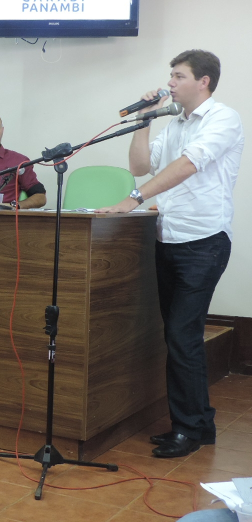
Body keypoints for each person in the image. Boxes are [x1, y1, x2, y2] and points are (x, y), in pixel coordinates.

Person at [97, 50, 244, 458]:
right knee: (178, 336)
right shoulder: (175, 123)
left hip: (204, 241)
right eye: (171, 75)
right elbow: (141, 165)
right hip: (168, 239)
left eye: (179, 76)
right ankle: (199, 424)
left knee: (183, 335)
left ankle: (189, 429)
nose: (170, 82)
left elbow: (187, 166)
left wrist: (134, 199)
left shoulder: (222, 119)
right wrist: (144, 120)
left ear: (204, 82)